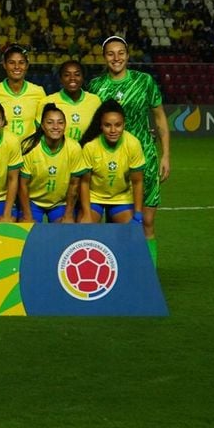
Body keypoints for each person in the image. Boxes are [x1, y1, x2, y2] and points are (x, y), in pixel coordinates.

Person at [87, 35, 170, 265]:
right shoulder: (96, 86)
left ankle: (148, 275)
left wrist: (165, 155)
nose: (116, 58)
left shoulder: (144, 81)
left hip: (144, 159)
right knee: (114, 222)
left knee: (147, 222)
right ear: (104, 57)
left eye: (121, 53)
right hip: (109, 162)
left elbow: (160, 117)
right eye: (111, 53)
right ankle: (115, 271)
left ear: (127, 55)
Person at [78, 100, 146, 228]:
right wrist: (86, 213)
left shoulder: (133, 144)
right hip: (94, 197)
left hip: (121, 197)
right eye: (107, 125)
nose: (113, 130)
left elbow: (137, 182)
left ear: (124, 124)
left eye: (118, 125)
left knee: (131, 231)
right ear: (101, 126)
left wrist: (138, 213)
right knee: (84, 229)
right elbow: (85, 182)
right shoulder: (90, 147)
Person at [19, 104, 88, 223]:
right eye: (50, 122)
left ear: (65, 125)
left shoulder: (73, 148)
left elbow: (74, 185)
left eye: (60, 123)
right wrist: (27, 215)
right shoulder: (29, 147)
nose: (56, 127)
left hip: (60, 203)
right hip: (33, 202)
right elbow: (23, 185)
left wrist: (68, 214)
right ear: (43, 126)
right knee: (28, 229)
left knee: (65, 229)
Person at [0, 44, 44, 138]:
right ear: (4, 65)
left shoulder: (38, 92)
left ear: (27, 65)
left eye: (21, 62)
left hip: (29, 150)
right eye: (11, 62)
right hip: (3, 150)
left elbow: (42, 126)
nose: (17, 66)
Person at [43, 59, 101, 142]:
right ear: (61, 78)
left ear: (83, 77)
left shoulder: (95, 101)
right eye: (67, 75)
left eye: (77, 74)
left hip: (88, 153)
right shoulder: (48, 101)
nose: (72, 78)